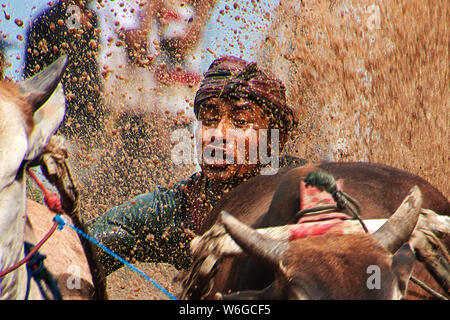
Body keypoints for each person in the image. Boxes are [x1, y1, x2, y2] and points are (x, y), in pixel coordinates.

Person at [87, 56, 305, 274]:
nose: (218, 135)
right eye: (209, 119)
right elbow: (84, 244)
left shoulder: (303, 187)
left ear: (275, 139)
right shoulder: (178, 210)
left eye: (239, 122)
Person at [24, 0, 103, 139]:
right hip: (59, 118)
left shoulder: (92, 19)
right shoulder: (50, 20)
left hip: (91, 117)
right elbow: (33, 78)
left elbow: (93, 66)